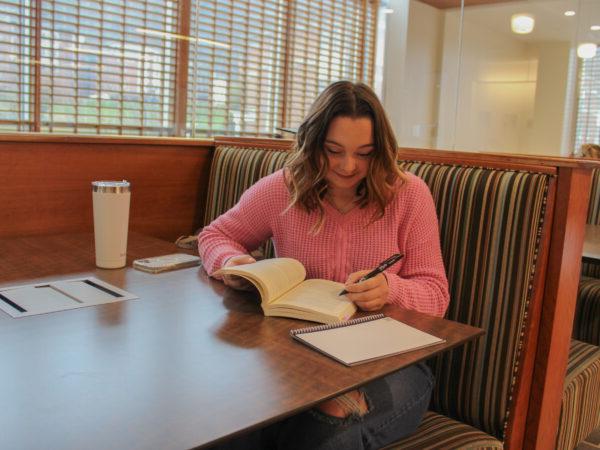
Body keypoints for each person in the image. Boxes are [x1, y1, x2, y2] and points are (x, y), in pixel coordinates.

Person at [198, 81, 450, 450]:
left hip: (391, 364)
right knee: (229, 416)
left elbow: (436, 295)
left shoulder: (408, 194)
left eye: (364, 154)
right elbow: (215, 235)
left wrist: (389, 289)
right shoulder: (284, 189)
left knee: (331, 415)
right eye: (334, 151)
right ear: (312, 144)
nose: (348, 167)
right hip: (297, 359)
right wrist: (231, 262)